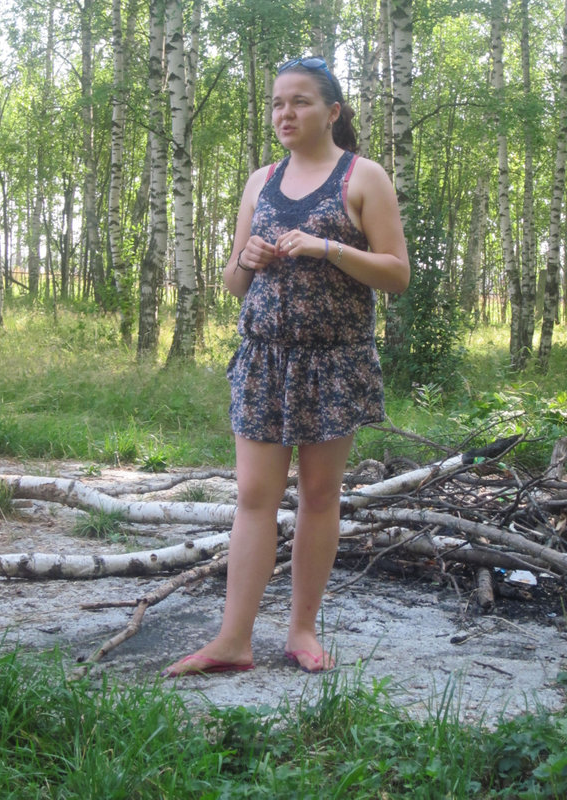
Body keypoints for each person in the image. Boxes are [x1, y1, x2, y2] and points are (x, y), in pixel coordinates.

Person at [163, 56, 409, 677]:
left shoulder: (363, 176)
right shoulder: (261, 181)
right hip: (264, 359)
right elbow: (234, 283)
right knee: (254, 496)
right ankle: (233, 640)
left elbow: (397, 274)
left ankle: (302, 631)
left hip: (334, 361)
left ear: (332, 111)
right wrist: (247, 258)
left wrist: (329, 247)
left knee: (320, 497)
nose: (285, 113)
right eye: (277, 103)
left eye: (299, 101)